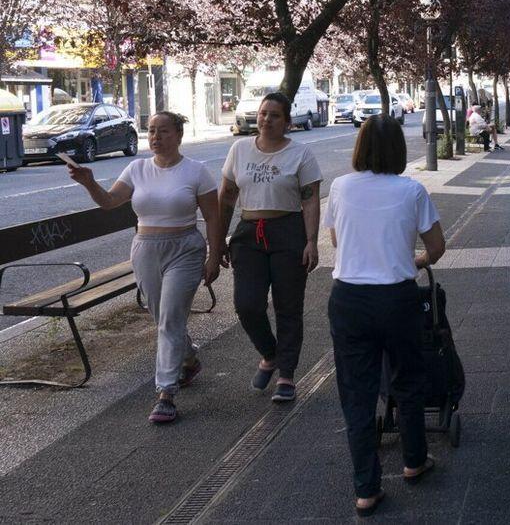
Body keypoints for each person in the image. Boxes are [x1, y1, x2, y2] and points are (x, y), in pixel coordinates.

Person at [323, 113, 444, 517]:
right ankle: (413, 461)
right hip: (397, 298)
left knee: (356, 394)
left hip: (350, 299)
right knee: (407, 379)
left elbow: (338, 239)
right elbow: (438, 246)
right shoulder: (412, 191)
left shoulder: (340, 187)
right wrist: (416, 259)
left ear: (359, 147)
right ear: (399, 149)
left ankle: (366, 489)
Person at [68, 112, 222, 423]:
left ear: (178, 135)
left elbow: (214, 217)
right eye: (151, 131)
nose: (155, 137)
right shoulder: (137, 168)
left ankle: (166, 393)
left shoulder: (196, 171)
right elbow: (110, 201)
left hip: (185, 249)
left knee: (169, 319)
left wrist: (214, 255)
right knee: (164, 318)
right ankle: (189, 358)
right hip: (145, 249)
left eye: (163, 131)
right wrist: (88, 182)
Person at [219, 92, 322, 403]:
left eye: (275, 115)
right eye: (263, 113)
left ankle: (287, 375)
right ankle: (270, 354)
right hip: (249, 234)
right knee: (247, 304)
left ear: (287, 122)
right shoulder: (239, 149)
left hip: (287, 231)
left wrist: (311, 241)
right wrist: (218, 240)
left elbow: (310, 199)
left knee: (288, 307)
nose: (266, 119)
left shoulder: (301, 154)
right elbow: (226, 197)